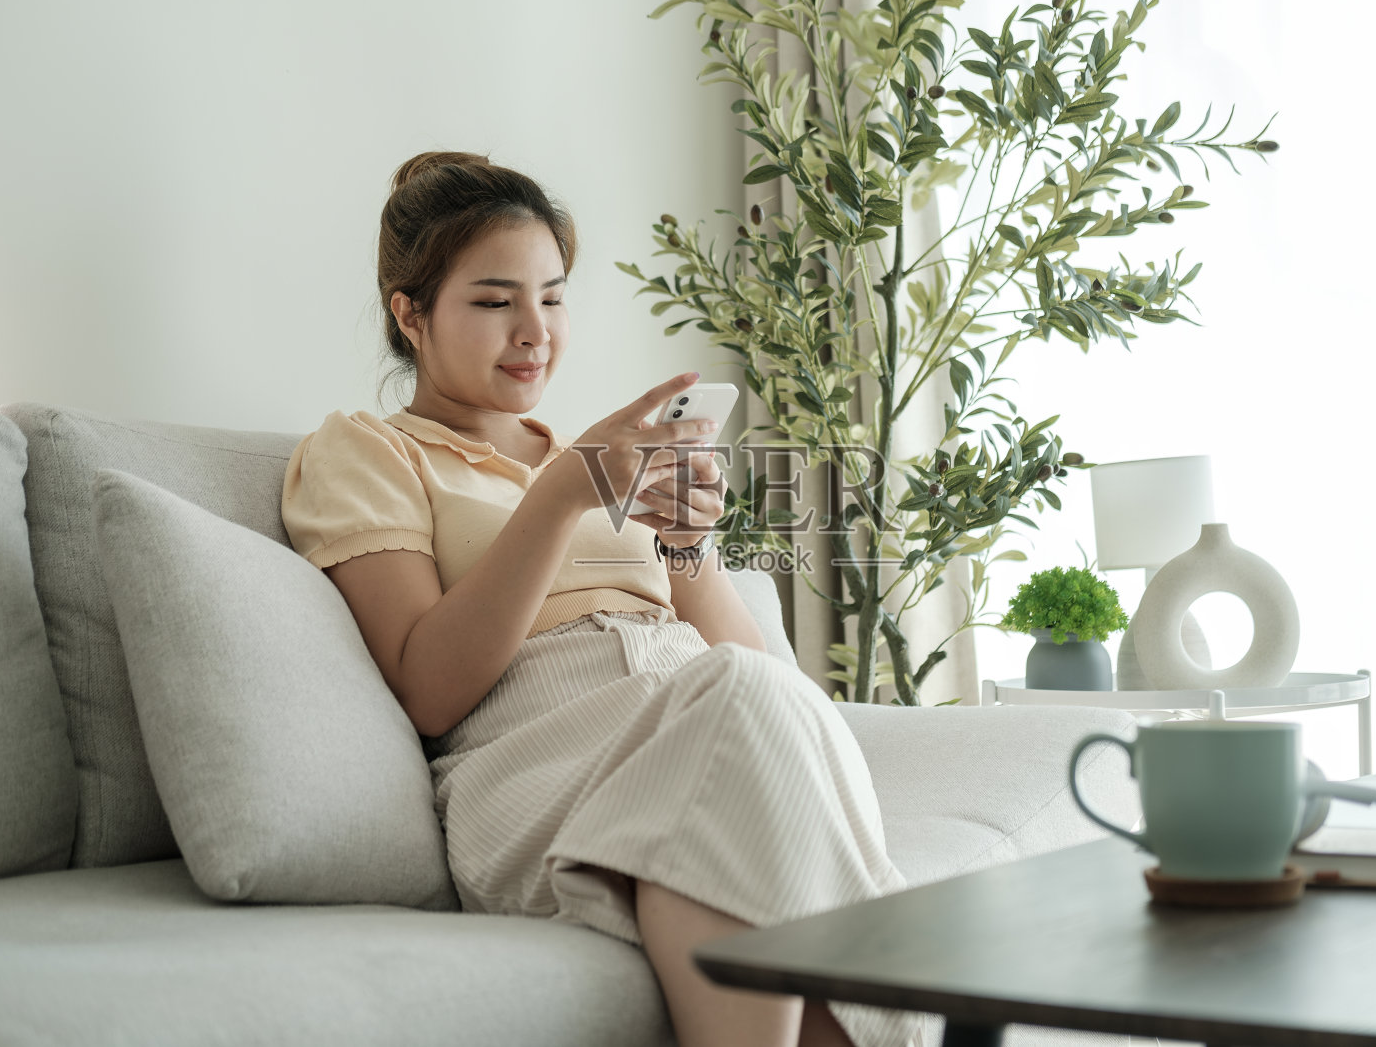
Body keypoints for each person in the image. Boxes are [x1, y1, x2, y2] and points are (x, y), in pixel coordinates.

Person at [280, 151, 934, 1047]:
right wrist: (562, 494)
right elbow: (427, 686)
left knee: (771, 709)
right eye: (493, 299)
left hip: (702, 716)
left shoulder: (596, 458)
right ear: (411, 313)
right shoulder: (366, 450)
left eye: (552, 297)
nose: (534, 330)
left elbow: (769, 680)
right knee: (744, 706)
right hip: (537, 755)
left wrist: (689, 548)